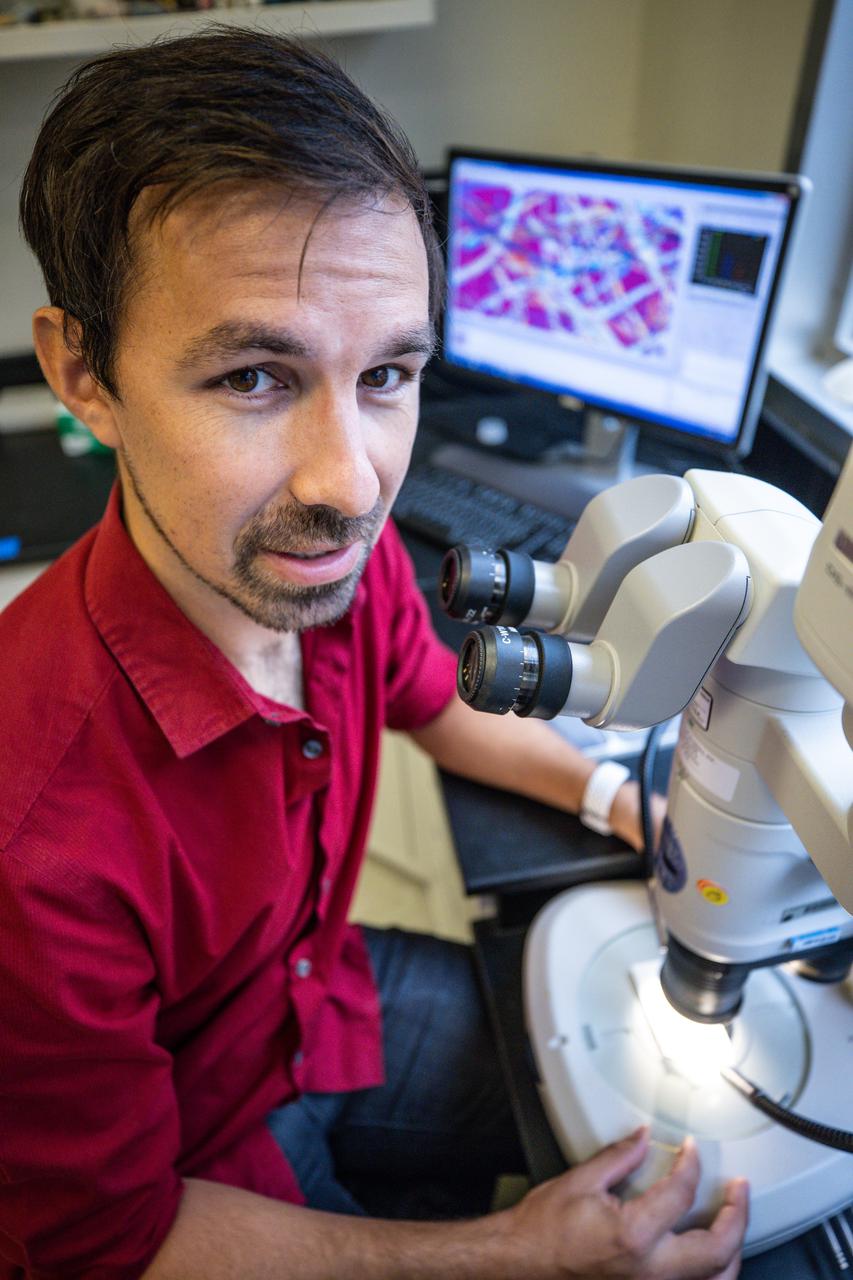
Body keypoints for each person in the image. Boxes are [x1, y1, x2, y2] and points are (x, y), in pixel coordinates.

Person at [0, 29, 747, 1279]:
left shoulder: (325, 568)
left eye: (389, 372)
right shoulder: (31, 842)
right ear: (84, 370)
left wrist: (621, 794)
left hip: (308, 999)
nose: (351, 487)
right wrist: (513, 1254)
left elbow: (438, 701)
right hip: (196, 1150)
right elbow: (113, 1242)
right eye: (253, 376)